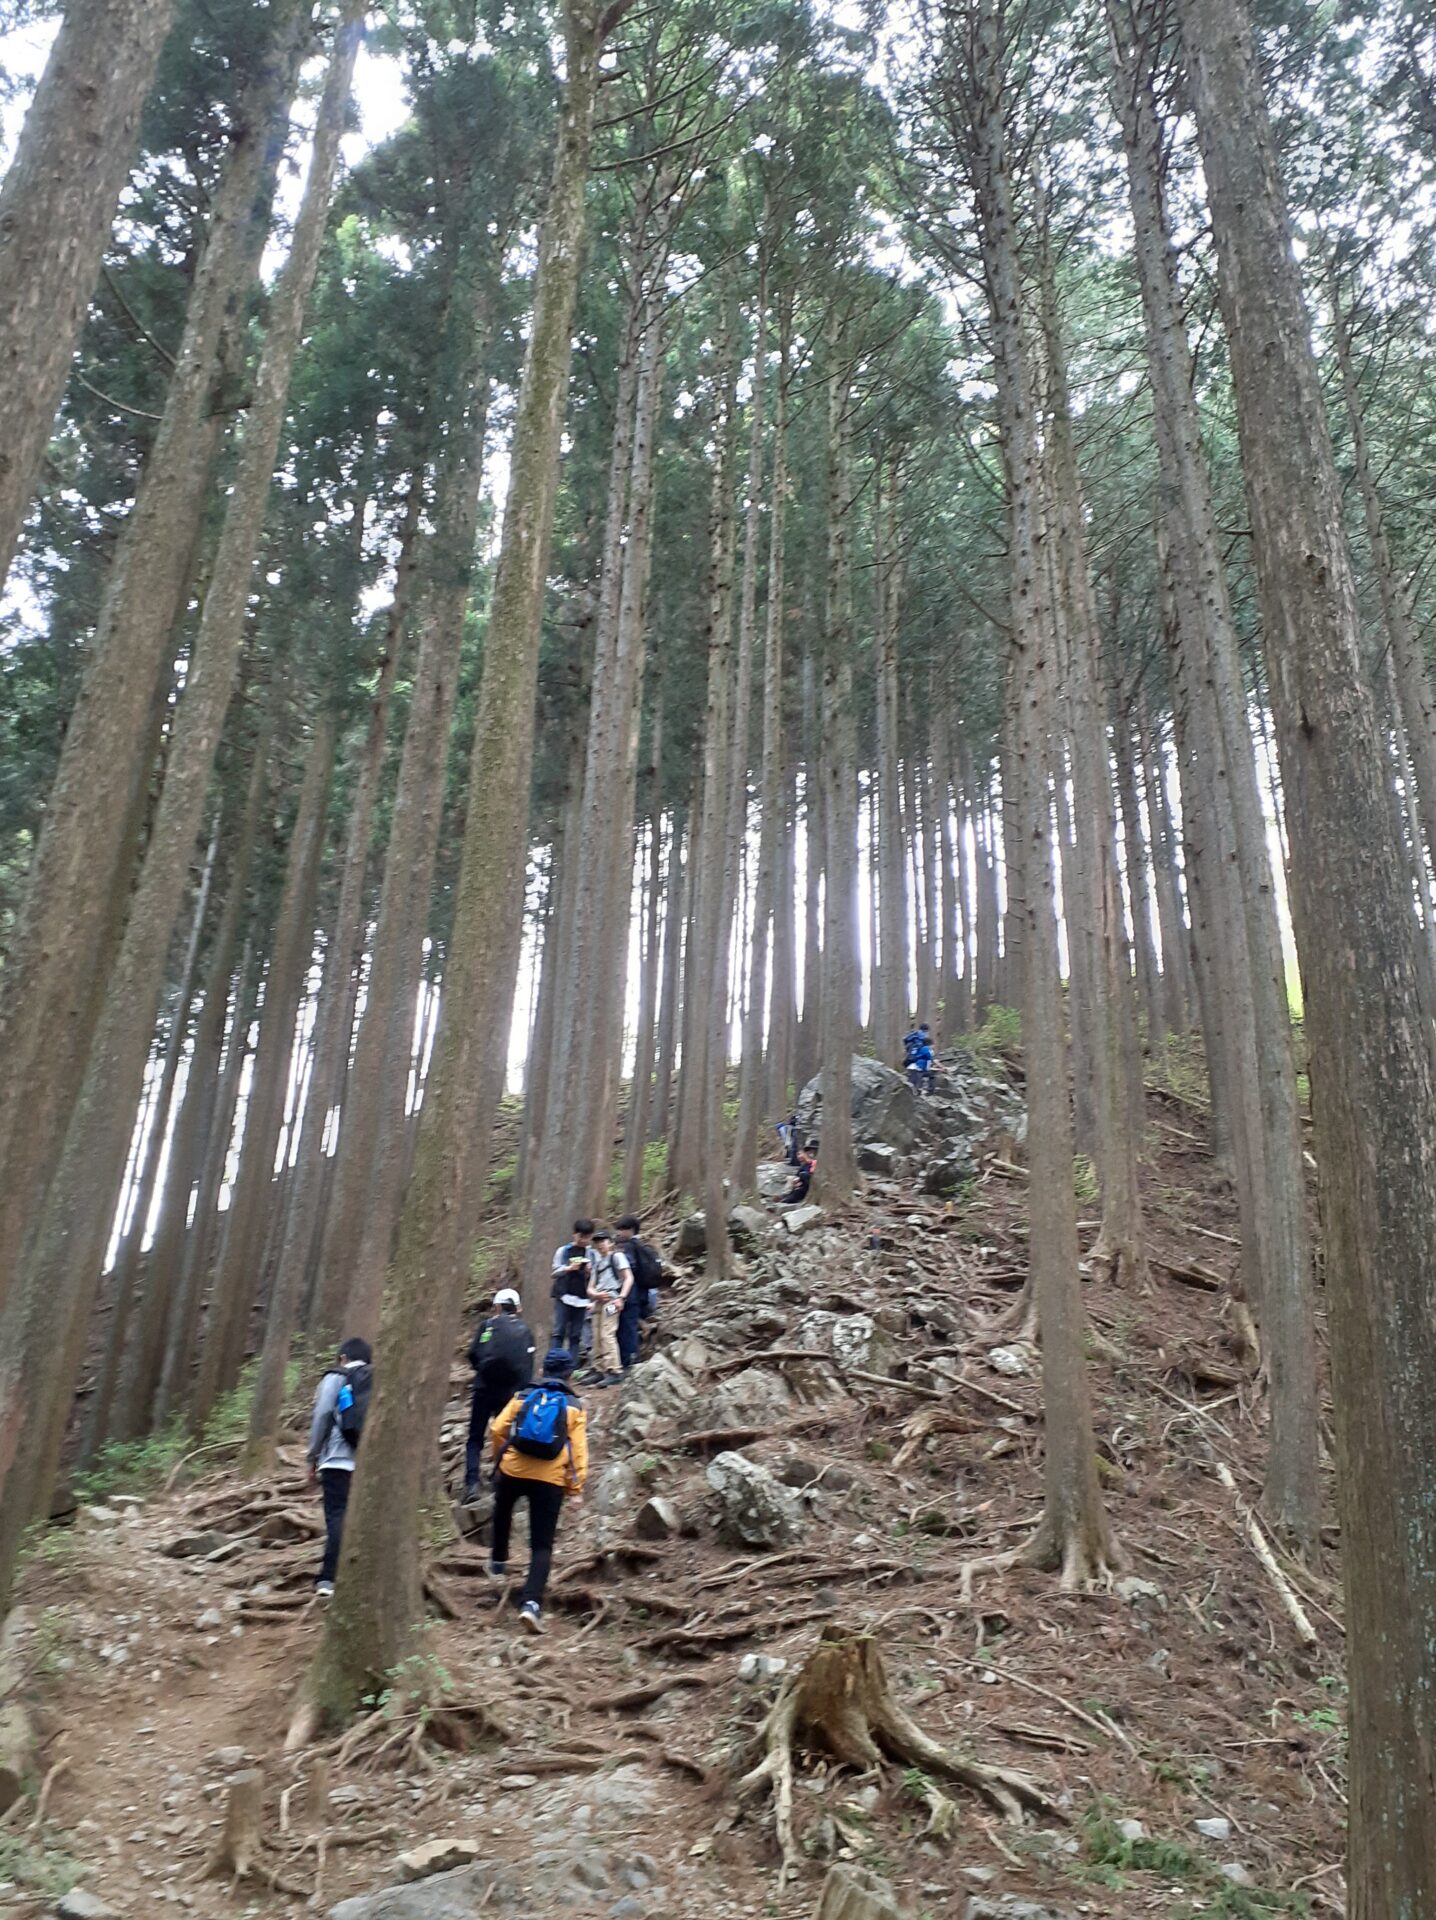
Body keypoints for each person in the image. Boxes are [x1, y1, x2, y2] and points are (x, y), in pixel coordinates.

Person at [489, 1347, 588, 1631]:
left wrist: (501, 1457)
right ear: (570, 1376)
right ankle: (531, 1604)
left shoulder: (523, 1396)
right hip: (550, 1479)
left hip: (513, 1470)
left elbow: (497, 1428)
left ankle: (497, 1562)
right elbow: (578, 1452)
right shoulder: (575, 1407)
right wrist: (575, 1487)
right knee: (542, 1545)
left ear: (543, 1370)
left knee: (503, 1510)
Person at [306, 1336, 372, 1597]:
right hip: (366, 1460)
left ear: (343, 1357)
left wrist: (311, 1456)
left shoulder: (336, 1377)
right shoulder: (377, 1378)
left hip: (336, 1458)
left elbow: (322, 1415)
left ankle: (329, 1579)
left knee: (337, 1515)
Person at [462, 1286, 535, 1504]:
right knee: (505, 1434)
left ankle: (472, 1483)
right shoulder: (525, 1330)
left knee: (475, 1438)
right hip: (509, 1393)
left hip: (483, 1389)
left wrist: (482, 1372)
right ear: (517, 1308)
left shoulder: (487, 1326)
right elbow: (527, 1366)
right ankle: (502, 1477)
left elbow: (474, 1354)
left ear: (497, 1306)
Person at [613, 1214, 663, 1369]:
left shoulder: (628, 1247)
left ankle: (629, 1362)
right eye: (619, 1229)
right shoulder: (641, 1246)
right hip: (640, 1295)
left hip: (629, 1296)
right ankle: (628, 1359)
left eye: (623, 1229)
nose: (620, 1232)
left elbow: (629, 1270)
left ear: (631, 1230)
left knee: (626, 1328)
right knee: (629, 1327)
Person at [584, 1228, 631, 1386]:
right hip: (598, 1301)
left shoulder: (617, 1257)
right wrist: (595, 1296)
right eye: (597, 1242)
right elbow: (590, 1287)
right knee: (596, 1335)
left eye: (603, 1241)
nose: (600, 1245)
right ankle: (598, 1369)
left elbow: (628, 1278)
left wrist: (621, 1298)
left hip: (612, 1298)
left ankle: (614, 1370)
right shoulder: (597, 1264)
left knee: (607, 1334)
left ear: (610, 1243)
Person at [550, 1218, 596, 1361]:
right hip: (564, 1295)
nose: (584, 1240)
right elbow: (554, 1272)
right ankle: (553, 1362)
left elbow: (595, 1276)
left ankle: (571, 1364)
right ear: (575, 1234)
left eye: (587, 1237)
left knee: (575, 1334)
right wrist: (568, 1268)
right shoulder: (563, 1251)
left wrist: (589, 1270)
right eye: (581, 1236)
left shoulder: (590, 1253)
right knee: (559, 1331)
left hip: (582, 1298)